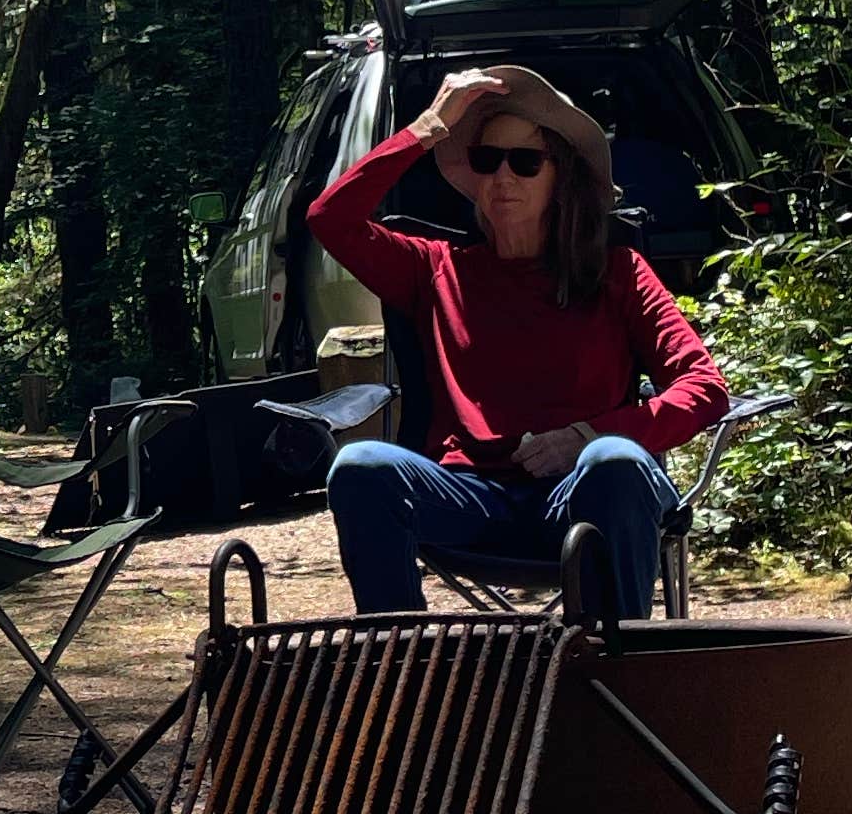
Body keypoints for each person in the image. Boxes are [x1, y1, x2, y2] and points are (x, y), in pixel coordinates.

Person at [309, 60, 728, 619]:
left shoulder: (618, 273)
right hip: (471, 499)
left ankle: (617, 656)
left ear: (562, 177)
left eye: (526, 162)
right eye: (487, 160)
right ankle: (401, 653)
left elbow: (704, 387)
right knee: (360, 465)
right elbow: (329, 218)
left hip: (582, 495)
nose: (503, 177)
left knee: (614, 460)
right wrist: (429, 126)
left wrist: (587, 436)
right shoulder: (434, 271)